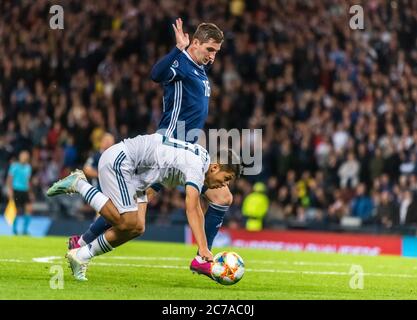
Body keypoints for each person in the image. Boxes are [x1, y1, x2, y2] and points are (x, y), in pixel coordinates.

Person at [68, 18, 233, 278]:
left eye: (217, 52)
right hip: (166, 149)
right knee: (132, 215)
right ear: (196, 43)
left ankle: (203, 255)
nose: (213, 56)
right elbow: (156, 75)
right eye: (210, 50)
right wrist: (178, 49)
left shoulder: (200, 71)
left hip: (186, 149)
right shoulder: (182, 65)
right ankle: (83, 241)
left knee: (221, 197)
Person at [47, 132, 242, 281]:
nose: (223, 186)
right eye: (225, 179)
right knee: (125, 222)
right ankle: (79, 184)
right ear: (215, 167)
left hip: (138, 177)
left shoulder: (200, 160)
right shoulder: (196, 165)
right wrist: (203, 249)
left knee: (136, 227)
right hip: (122, 162)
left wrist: (203, 248)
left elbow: (195, 205)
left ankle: (81, 254)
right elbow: (192, 207)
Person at [68, 133, 115, 248]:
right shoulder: (96, 155)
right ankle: (85, 243)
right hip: (100, 193)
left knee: (106, 219)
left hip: (114, 193)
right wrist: (102, 175)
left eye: (111, 140)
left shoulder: (115, 156)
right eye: (107, 140)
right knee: (102, 218)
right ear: (102, 142)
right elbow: (87, 169)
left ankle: (85, 242)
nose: (109, 142)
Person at [6, 150, 33, 235]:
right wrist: (9, 190)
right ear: (20, 156)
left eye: (27, 155)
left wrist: (30, 192)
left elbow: (28, 181)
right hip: (16, 190)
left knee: (29, 209)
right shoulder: (14, 166)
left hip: (25, 190)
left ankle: (25, 230)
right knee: (16, 211)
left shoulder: (28, 167)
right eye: (24, 155)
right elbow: (9, 179)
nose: (25, 157)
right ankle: (14, 230)